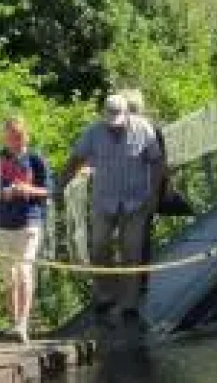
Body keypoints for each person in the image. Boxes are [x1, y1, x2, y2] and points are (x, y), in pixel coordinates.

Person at [60, 95, 165, 327]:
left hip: (135, 202)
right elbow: (76, 159)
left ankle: (129, 303)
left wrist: (154, 194)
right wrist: (62, 184)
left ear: (127, 114)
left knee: (131, 250)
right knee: (99, 246)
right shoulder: (93, 133)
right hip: (104, 201)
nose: (114, 126)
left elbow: (157, 161)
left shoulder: (144, 129)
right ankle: (106, 294)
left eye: (118, 121)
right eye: (110, 121)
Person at [0, 117, 52, 345]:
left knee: (24, 270)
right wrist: (4, 192)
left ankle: (23, 323)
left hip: (30, 220)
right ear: (5, 137)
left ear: (26, 136)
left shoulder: (36, 159)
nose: (15, 141)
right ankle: (14, 321)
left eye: (19, 137)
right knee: (8, 275)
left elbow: (48, 190)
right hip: (3, 221)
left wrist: (27, 189)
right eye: (11, 137)